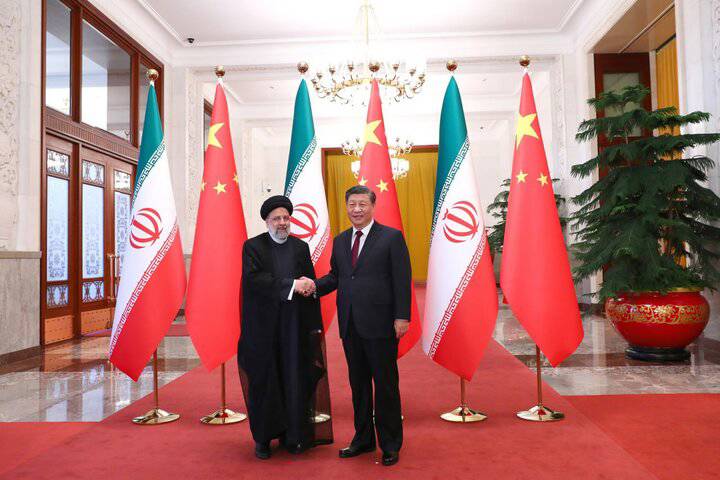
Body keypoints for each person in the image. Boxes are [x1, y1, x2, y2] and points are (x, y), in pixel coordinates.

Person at [307, 185, 411, 467]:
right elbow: (337, 277)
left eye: (362, 204)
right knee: (359, 385)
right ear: (346, 206)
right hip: (351, 325)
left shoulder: (391, 237)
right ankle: (363, 439)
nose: (357, 209)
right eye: (352, 204)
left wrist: (402, 317)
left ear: (372, 206)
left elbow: (402, 280)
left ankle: (390, 443)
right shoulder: (341, 241)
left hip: (382, 326)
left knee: (386, 386)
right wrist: (312, 286)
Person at [237, 195, 332, 460]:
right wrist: (292, 285)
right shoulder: (253, 247)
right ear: (267, 221)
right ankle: (264, 439)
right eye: (276, 218)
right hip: (264, 330)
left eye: (286, 218)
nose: (282, 223)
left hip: (294, 329)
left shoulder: (300, 247)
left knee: (294, 378)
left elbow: (308, 280)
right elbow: (255, 280)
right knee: (266, 382)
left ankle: (294, 435)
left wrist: (310, 285)